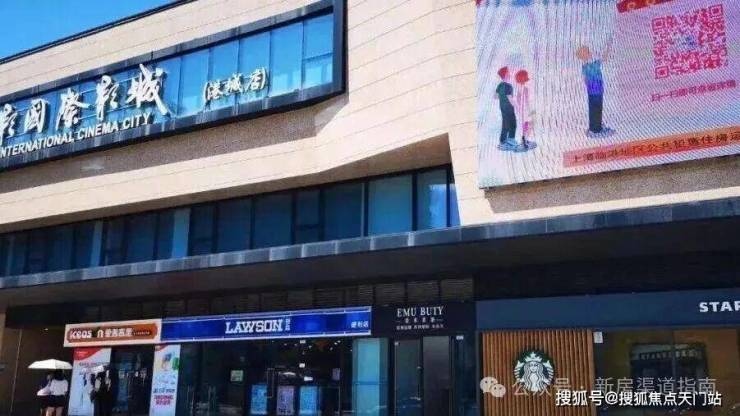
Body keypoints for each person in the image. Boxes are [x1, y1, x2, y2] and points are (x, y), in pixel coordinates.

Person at [576, 40, 614, 137]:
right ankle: (596, 129)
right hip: (596, 90)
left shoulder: (585, 66)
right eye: (588, 52)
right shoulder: (592, 65)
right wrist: (608, 47)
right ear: (585, 55)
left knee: (594, 108)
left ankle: (596, 127)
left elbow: (585, 80)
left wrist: (589, 87)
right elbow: (604, 58)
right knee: (596, 108)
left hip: (593, 90)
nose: (590, 53)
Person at [494, 66, 518, 150]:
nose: (510, 74)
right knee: (513, 123)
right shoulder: (508, 86)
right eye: (509, 73)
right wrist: (516, 105)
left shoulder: (500, 85)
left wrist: (502, 97)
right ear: (506, 75)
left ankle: (503, 141)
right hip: (509, 108)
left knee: (505, 124)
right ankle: (510, 140)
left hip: (502, 108)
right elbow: (510, 98)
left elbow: (495, 96)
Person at [514, 69, 537, 151]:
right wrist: (529, 110)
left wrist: (519, 108)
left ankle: (525, 140)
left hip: (524, 110)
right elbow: (526, 100)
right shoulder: (525, 88)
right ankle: (524, 141)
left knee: (526, 125)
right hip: (527, 110)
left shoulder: (520, 88)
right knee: (529, 124)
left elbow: (518, 99)